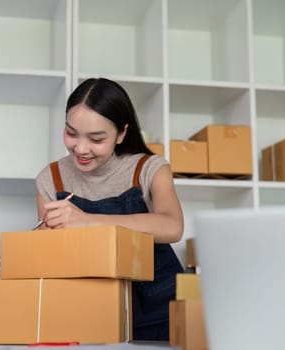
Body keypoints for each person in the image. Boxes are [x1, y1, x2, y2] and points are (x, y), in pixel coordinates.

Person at [35, 77, 184, 341]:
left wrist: (87, 221)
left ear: (122, 134)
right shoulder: (52, 178)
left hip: (161, 310)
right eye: (71, 133)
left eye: (96, 138)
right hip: (89, 311)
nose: (80, 148)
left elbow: (172, 226)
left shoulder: (149, 168)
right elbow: (54, 256)